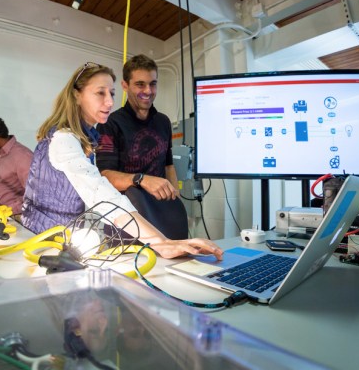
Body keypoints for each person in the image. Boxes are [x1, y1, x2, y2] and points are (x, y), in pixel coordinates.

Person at [21, 62, 222, 259]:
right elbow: (102, 194)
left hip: (66, 238)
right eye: (101, 93)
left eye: (112, 94)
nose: (109, 101)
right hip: (43, 242)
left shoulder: (85, 138)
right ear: (77, 95)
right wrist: (161, 243)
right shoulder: (64, 140)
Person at [96, 54, 179, 201]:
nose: (148, 91)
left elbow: (169, 166)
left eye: (153, 84)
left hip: (160, 208)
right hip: (127, 211)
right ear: (125, 85)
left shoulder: (164, 122)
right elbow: (105, 175)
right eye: (140, 84)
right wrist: (142, 179)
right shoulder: (110, 124)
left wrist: (177, 203)